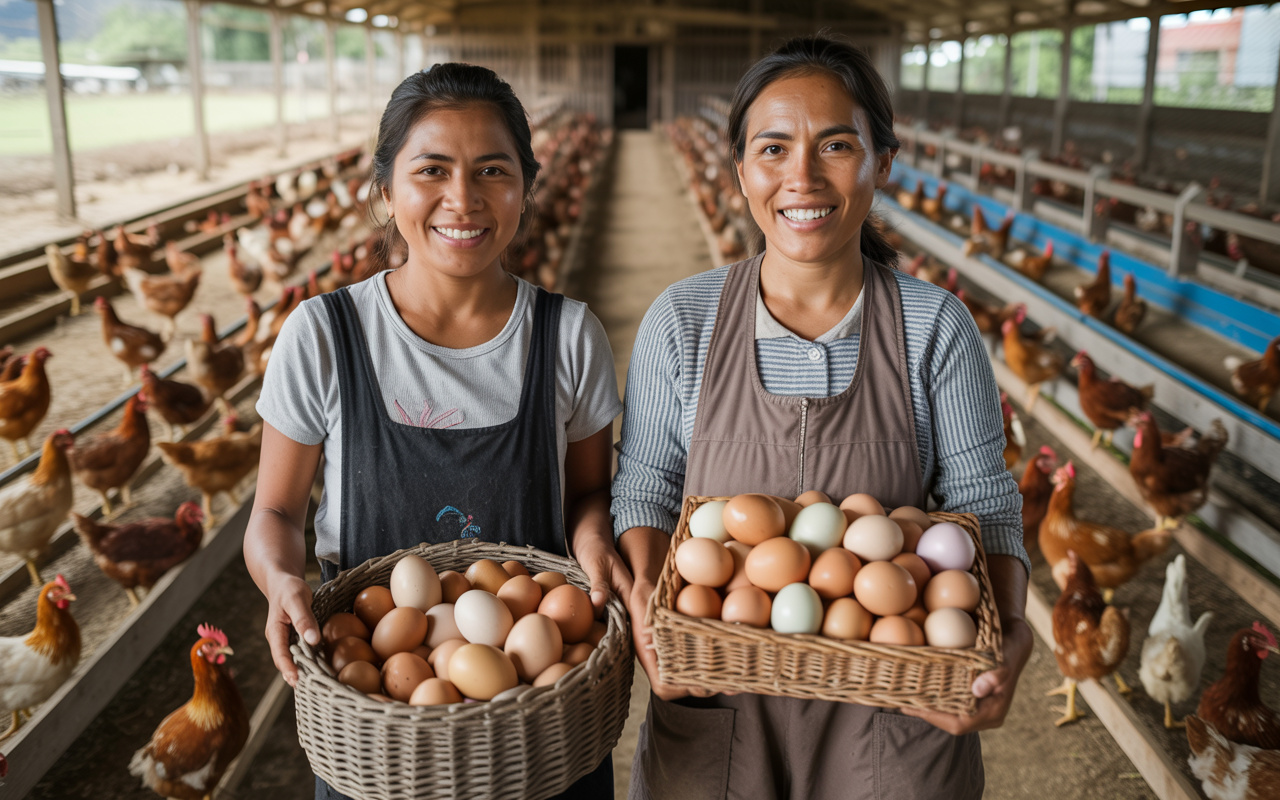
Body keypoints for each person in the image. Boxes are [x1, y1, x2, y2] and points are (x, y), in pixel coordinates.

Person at [612, 35, 1034, 799]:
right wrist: (649, 601)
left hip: (897, 713)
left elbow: (985, 506)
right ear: (741, 172)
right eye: (773, 149)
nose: (801, 176)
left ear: (882, 163)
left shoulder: (935, 326)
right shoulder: (684, 320)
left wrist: (1010, 629)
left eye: (835, 145)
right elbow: (644, 490)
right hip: (721, 704)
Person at [244, 63, 631, 800]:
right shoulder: (324, 335)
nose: (463, 198)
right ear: (386, 192)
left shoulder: (567, 334)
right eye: (432, 170)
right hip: (378, 728)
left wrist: (591, 556)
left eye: (493, 170)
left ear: (526, 186)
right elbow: (274, 513)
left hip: (536, 725)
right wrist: (281, 580)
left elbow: (588, 494)